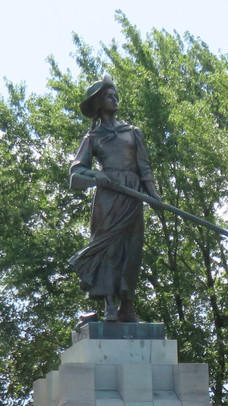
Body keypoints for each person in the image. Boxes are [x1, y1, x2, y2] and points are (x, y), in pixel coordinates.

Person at [68, 75, 160, 323]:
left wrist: (154, 196)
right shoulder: (93, 138)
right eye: (109, 95)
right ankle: (109, 304)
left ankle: (127, 306)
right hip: (108, 198)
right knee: (109, 250)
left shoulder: (132, 132)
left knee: (132, 249)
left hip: (133, 195)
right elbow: (76, 172)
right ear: (99, 103)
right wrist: (97, 175)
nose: (115, 98)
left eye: (116, 94)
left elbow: (145, 167)